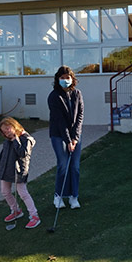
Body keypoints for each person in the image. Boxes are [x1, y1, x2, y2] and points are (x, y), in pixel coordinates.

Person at [48, 66, 84, 209]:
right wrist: (68, 140)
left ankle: (73, 196)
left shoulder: (77, 93)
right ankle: (58, 196)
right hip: (58, 135)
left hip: (75, 135)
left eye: (67, 78)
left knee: (75, 167)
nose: (65, 80)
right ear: (58, 79)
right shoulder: (53, 96)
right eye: (62, 78)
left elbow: (80, 116)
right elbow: (60, 121)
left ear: (72, 79)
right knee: (63, 165)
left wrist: (74, 138)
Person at [0, 117, 40, 228]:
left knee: (23, 193)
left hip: (19, 171)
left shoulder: (26, 139)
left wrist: (15, 140)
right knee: (5, 191)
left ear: (14, 126)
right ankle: (16, 210)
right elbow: (3, 154)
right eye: (4, 131)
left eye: (8, 129)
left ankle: (34, 215)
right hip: (6, 169)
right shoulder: (7, 140)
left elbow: (23, 153)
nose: (6, 132)